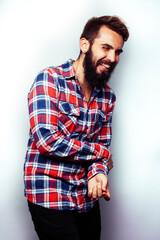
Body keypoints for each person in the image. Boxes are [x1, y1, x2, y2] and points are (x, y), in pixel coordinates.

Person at [24, 15, 129, 240]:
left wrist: (98, 173)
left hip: (86, 197)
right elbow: (47, 141)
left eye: (118, 52)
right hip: (50, 195)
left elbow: (101, 144)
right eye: (106, 48)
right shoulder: (49, 80)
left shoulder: (108, 96)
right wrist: (102, 155)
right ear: (85, 45)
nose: (112, 58)